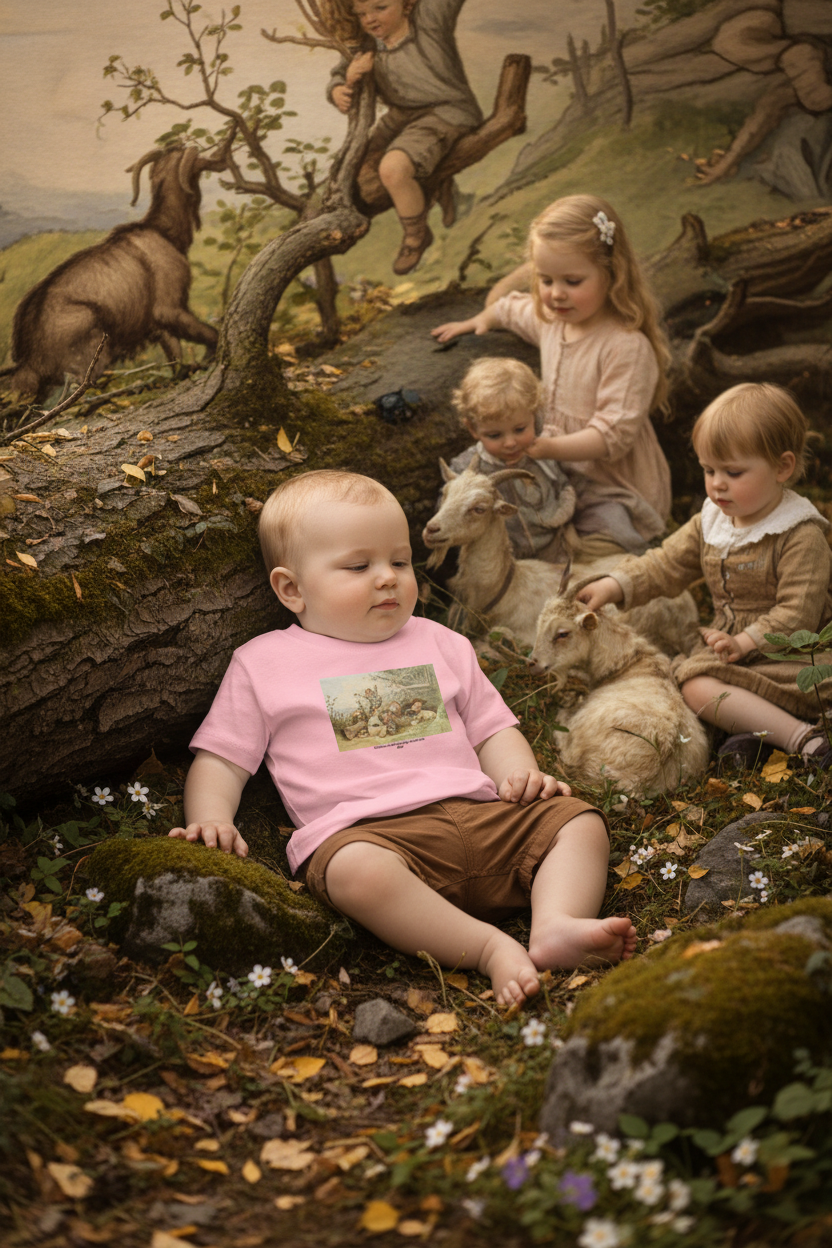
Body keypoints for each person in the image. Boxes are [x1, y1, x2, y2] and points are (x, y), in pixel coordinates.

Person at [168, 470, 636, 1005]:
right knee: (353, 873)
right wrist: (211, 819)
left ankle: (557, 925)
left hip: (482, 816)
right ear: (291, 588)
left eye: (399, 560)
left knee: (576, 822)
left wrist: (518, 777)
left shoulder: (440, 641)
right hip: (376, 837)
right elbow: (222, 758)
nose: (388, 577)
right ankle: (487, 948)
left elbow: (492, 728)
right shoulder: (264, 664)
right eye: (359, 566)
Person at [576, 383, 832, 767]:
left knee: (697, 686)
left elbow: (799, 612)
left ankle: (806, 741)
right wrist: (615, 584)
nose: (717, 484)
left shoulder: (799, 533)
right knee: (694, 686)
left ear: (783, 467)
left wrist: (745, 641)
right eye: (708, 470)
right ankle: (755, 735)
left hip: (790, 654)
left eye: (733, 471)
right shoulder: (712, 520)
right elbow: (666, 563)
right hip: (728, 651)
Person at [432, 194, 673, 556]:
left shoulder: (625, 345)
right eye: (545, 279)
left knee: (602, 547)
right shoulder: (553, 320)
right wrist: (480, 321)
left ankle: (629, 563)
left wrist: (548, 447)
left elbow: (613, 436)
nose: (556, 294)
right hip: (559, 475)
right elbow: (509, 308)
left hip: (612, 484)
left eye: (572, 281)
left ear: (612, 273)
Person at [328, 0, 482, 275]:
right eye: (362, 13)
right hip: (400, 116)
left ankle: (415, 236)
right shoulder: (366, 43)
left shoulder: (429, 21)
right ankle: (436, 184)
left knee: (393, 169)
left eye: (380, 7)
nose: (370, 19)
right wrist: (341, 86)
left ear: (407, 4)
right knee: (351, 168)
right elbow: (339, 73)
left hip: (445, 111)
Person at [449, 356, 579, 561]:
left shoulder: (542, 453)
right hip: (504, 559)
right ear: (473, 429)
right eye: (495, 435)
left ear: (534, 416)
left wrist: (561, 516)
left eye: (520, 429)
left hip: (554, 548)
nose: (510, 443)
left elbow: (562, 485)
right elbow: (450, 510)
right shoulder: (468, 469)